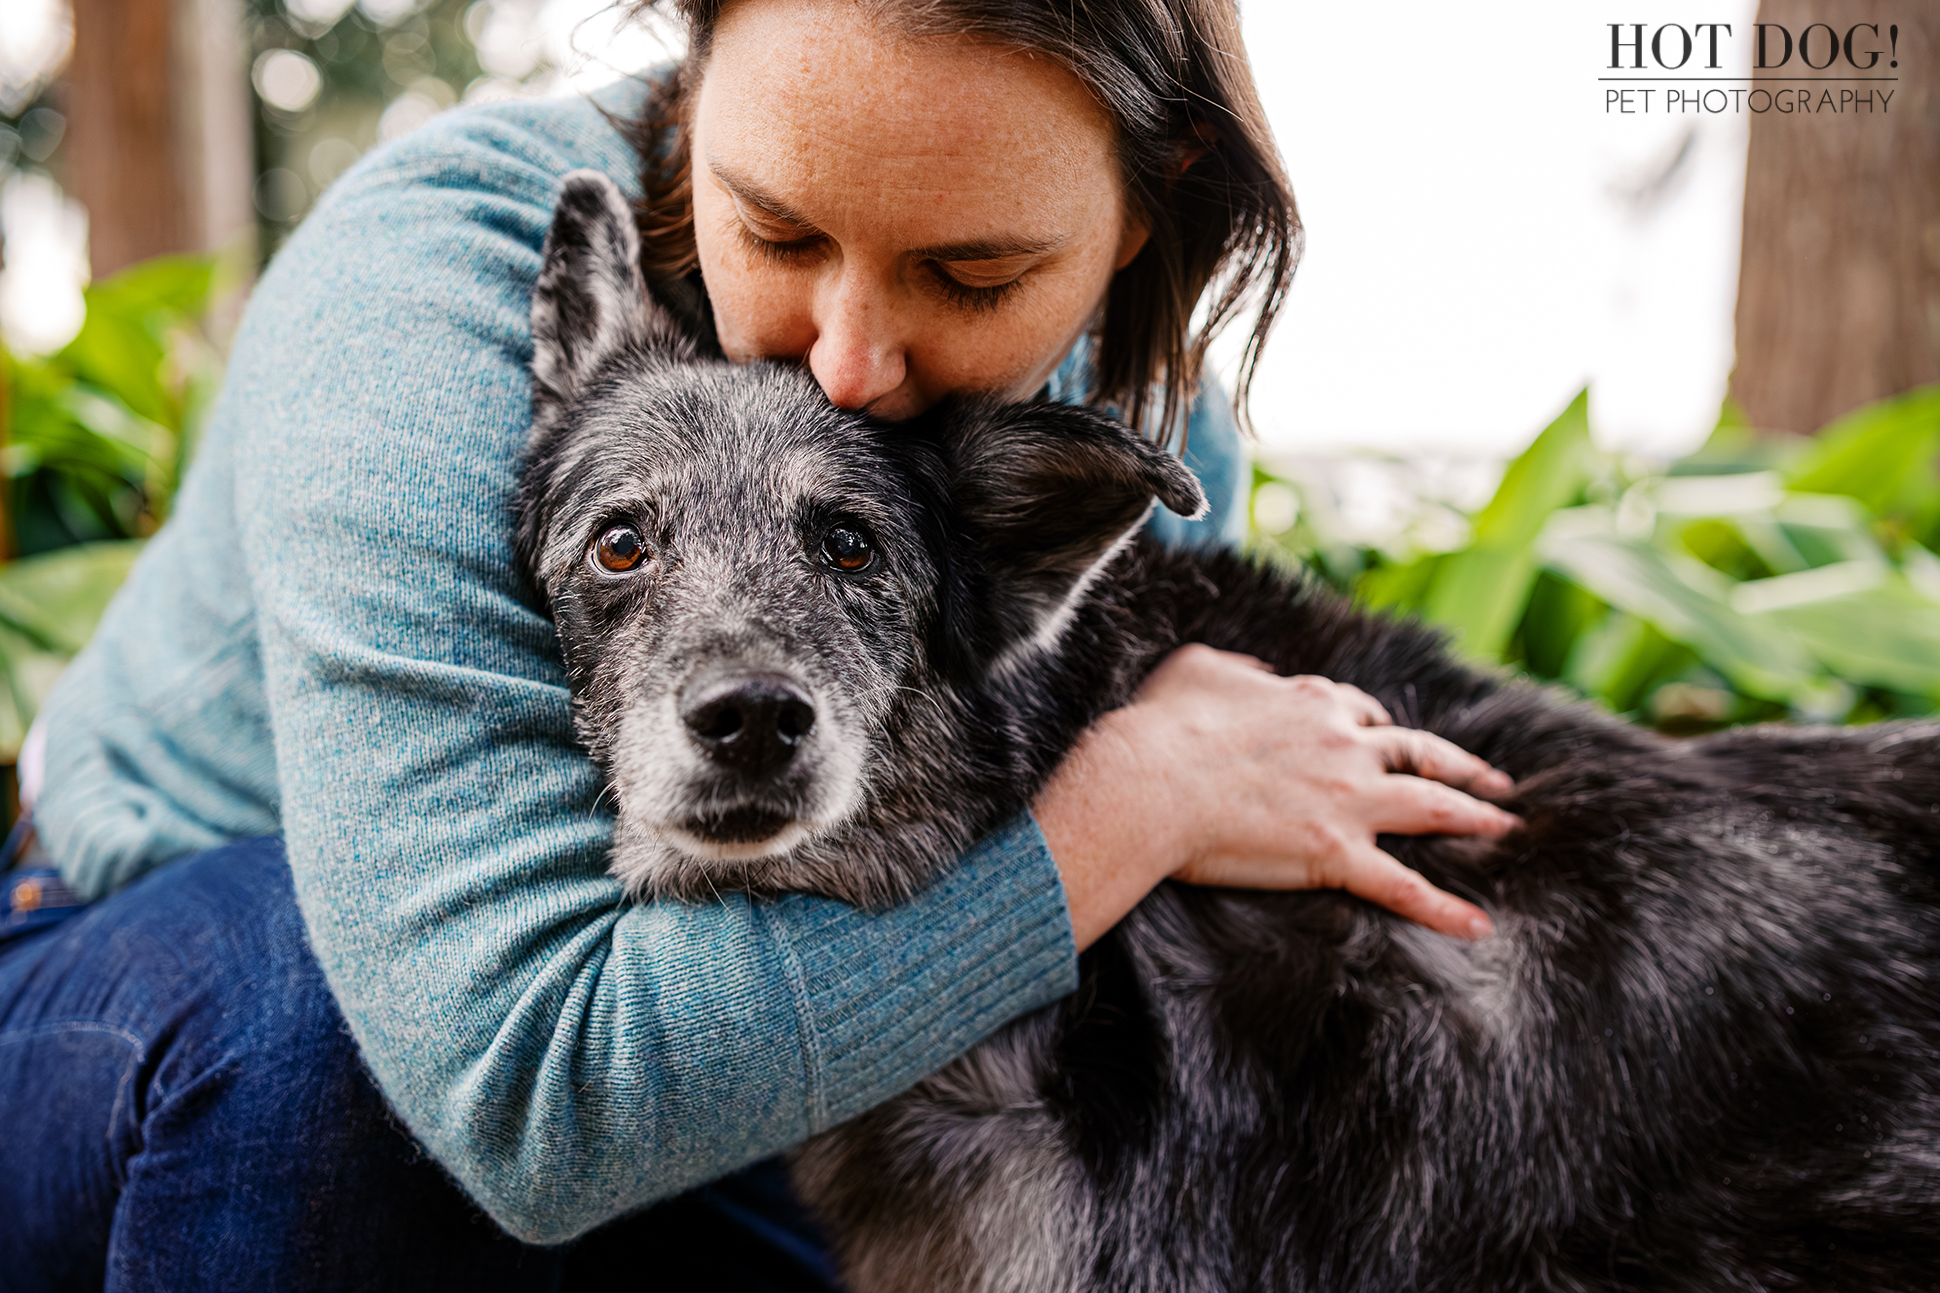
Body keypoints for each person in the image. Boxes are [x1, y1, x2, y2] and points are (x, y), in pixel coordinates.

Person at [1, 0, 1518, 1287]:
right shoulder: (426, 292)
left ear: (1148, 200)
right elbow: (528, 1086)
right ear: (695, 66)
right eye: (776, 230)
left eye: (971, 276)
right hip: (159, 968)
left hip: (745, 1039)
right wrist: (1136, 801)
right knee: (315, 1019)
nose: (850, 362)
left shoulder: (1130, 416)